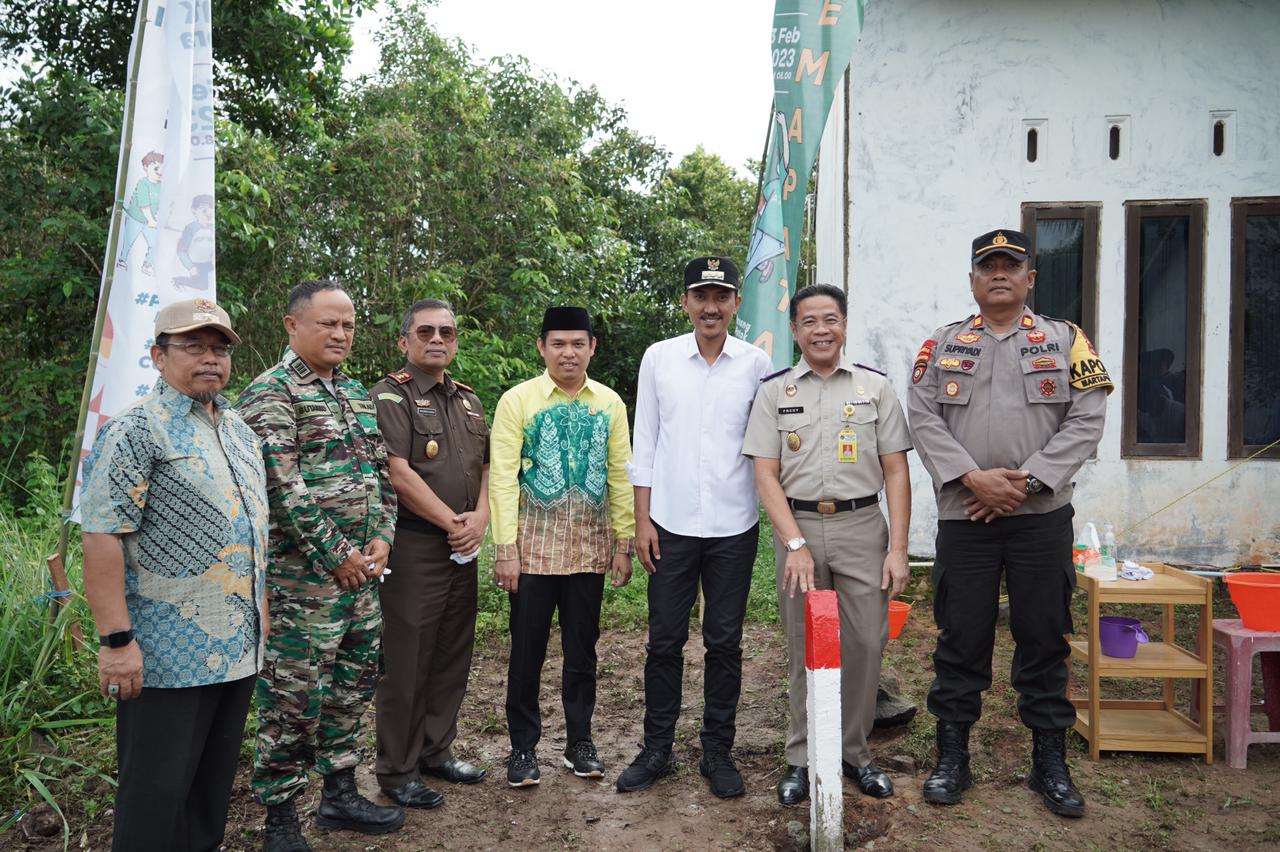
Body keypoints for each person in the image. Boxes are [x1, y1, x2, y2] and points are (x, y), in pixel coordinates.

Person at [907, 229, 1111, 818]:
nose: (999, 274)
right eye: (987, 266)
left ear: (1030, 278)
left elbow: (1088, 416)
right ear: (972, 280)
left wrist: (1028, 482)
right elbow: (922, 416)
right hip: (966, 515)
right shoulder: (942, 344)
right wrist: (973, 479)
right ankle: (953, 757)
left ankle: (1049, 762)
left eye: (1010, 265)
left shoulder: (1067, 340)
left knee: (1044, 636)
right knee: (961, 634)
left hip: (1040, 516)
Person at [80, 299, 269, 851]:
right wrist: (116, 642)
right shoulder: (137, 430)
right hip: (166, 657)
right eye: (194, 346)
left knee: (209, 797)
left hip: (237, 649)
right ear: (159, 356)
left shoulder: (238, 430)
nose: (210, 358)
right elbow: (101, 535)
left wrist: (264, 616)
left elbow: (250, 535)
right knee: (154, 799)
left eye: (219, 348)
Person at [239, 280, 403, 850]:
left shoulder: (355, 392)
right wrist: (338, 557)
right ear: (292, 325)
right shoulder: (271, 393)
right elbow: (282, 487)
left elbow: (381, 475)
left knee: (351, 688)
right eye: (327, 323)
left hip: (362, 581)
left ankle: (338, 795)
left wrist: (382, 538)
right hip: (303, 585)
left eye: (348, 325)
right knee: (293, 700)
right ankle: (279, 818)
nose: (340, 334)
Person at [743, 283, 913, 806]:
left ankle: (854, 751)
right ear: (795, 331)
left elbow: (896, 471)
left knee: (865, 642)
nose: (821, 330)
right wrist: (793, 541)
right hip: (799, 531)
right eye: (810, 321)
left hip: (863, 528)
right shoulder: (775, 391)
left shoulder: (875, 388)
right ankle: (800, 756)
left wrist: (899, 548)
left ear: (844, 325)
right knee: (803, 645)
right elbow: (765, 475)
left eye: (830, 319)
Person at [617, 257, 773, 799]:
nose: (711, 306)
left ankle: (717, 751)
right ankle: (656, 749)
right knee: (664, 641)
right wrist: (642, 520)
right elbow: (647, 442)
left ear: (734, 303)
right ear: (685, 302)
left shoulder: (756, 363)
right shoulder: (659, 359)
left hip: (734, 524)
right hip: (671, 523)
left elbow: (766, 444)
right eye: (700, 296)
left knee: (725, 642)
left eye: (722, 296)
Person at [488, 306, 636, 787]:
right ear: (542, 348)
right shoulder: (517, 401)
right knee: (526, 652)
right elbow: (503, 481)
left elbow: (620, 474)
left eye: (578, 343)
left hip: (589, 553)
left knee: (582, 651)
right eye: (558, 344)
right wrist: (505, 548)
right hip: (532, 553)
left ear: (592, 347)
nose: (568, 352)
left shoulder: (610, 403)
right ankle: (523, 749)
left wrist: (623, 542)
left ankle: (579, 743)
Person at [371, 299, 490, 807]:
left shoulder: (469, 400)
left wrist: (480, 518)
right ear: (404, 341)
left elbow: (487, 466)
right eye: (425, 332)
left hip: (464, 546)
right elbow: (398, 472)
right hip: (416, 547)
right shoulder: (389, 398)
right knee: (407, 660)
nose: (436, 339)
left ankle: (436, 752)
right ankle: (397, 771)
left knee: (450, 653)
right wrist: (453, 522)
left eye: (446, 332)